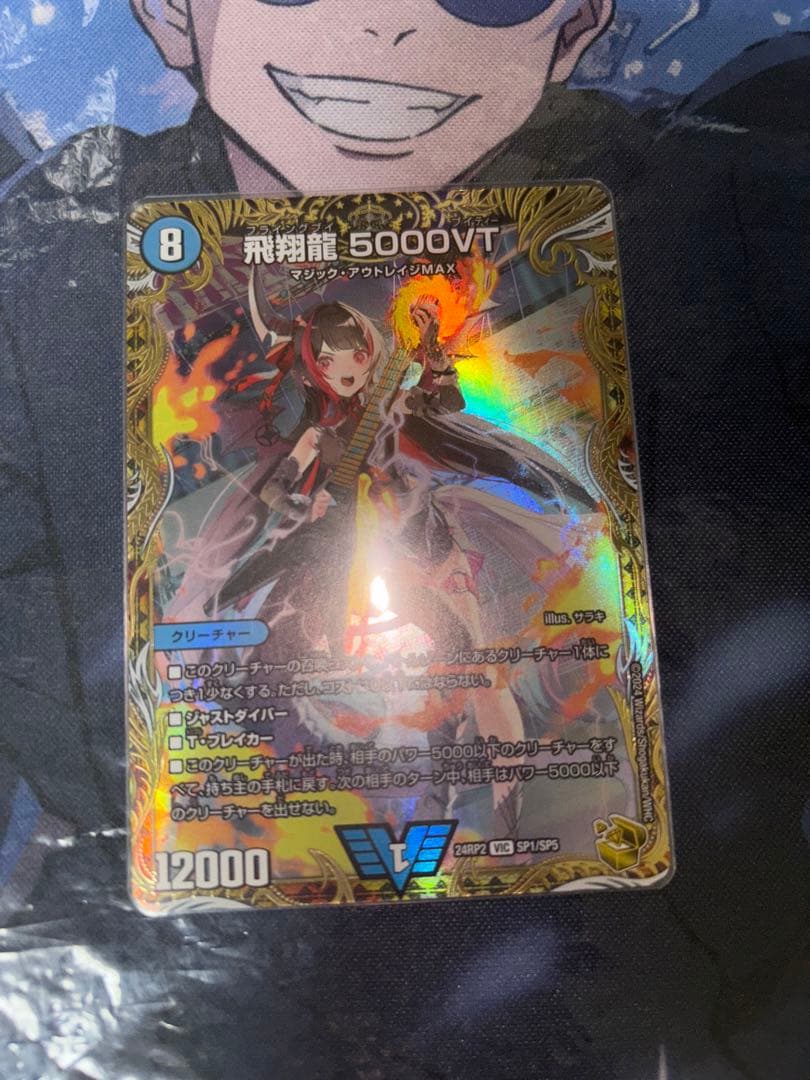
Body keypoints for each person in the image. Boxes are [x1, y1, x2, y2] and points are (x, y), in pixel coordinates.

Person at [0, 2, 808, 1075]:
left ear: (579, 23)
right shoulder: (64, 250)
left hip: (598, 964)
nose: (384, 25)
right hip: (185, 977)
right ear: (171, 12)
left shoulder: (701, 218)